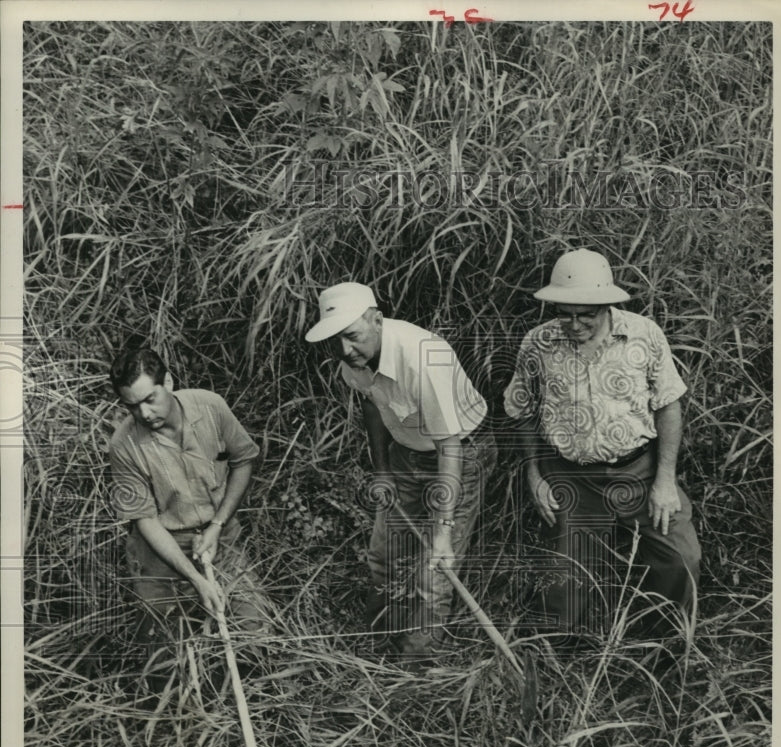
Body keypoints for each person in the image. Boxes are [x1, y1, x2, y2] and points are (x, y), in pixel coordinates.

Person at [503, 248, 701, 641]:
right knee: (563, 588)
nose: (573, 324)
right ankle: (565, 663)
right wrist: (534, 470)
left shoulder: (643, 334)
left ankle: (664, 651)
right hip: (572, 478)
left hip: (640, 472)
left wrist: (664, 479)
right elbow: (520, 407)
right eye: (564, 313)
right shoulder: (538, 343)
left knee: (680, 558)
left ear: (607, 304)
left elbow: (668, 406)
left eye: (585, 315)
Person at [305, 281, 497, 658]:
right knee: (383, 554)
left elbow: (450, 447)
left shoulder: (424, 359)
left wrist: (442, 530)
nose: (345, 350)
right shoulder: (353, 360)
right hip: (406, 454)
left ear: (377, 320)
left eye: (353, 337)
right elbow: (373, 405)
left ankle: (414, 670)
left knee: (434, 572)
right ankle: (376, 642)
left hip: (461, 455)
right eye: (336, 341)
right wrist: (382, 471)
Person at [108, 347, 263, 650]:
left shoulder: (211, 407)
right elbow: (145, 520)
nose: (144, 414)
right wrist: (194, 577)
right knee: (166, 649)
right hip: (162, 550)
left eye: (149, 400)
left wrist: (218, 524)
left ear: (168, 383)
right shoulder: (123, 446)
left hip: (222, 534)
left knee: (254, 629)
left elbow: (243, 460)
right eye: (132, 406)